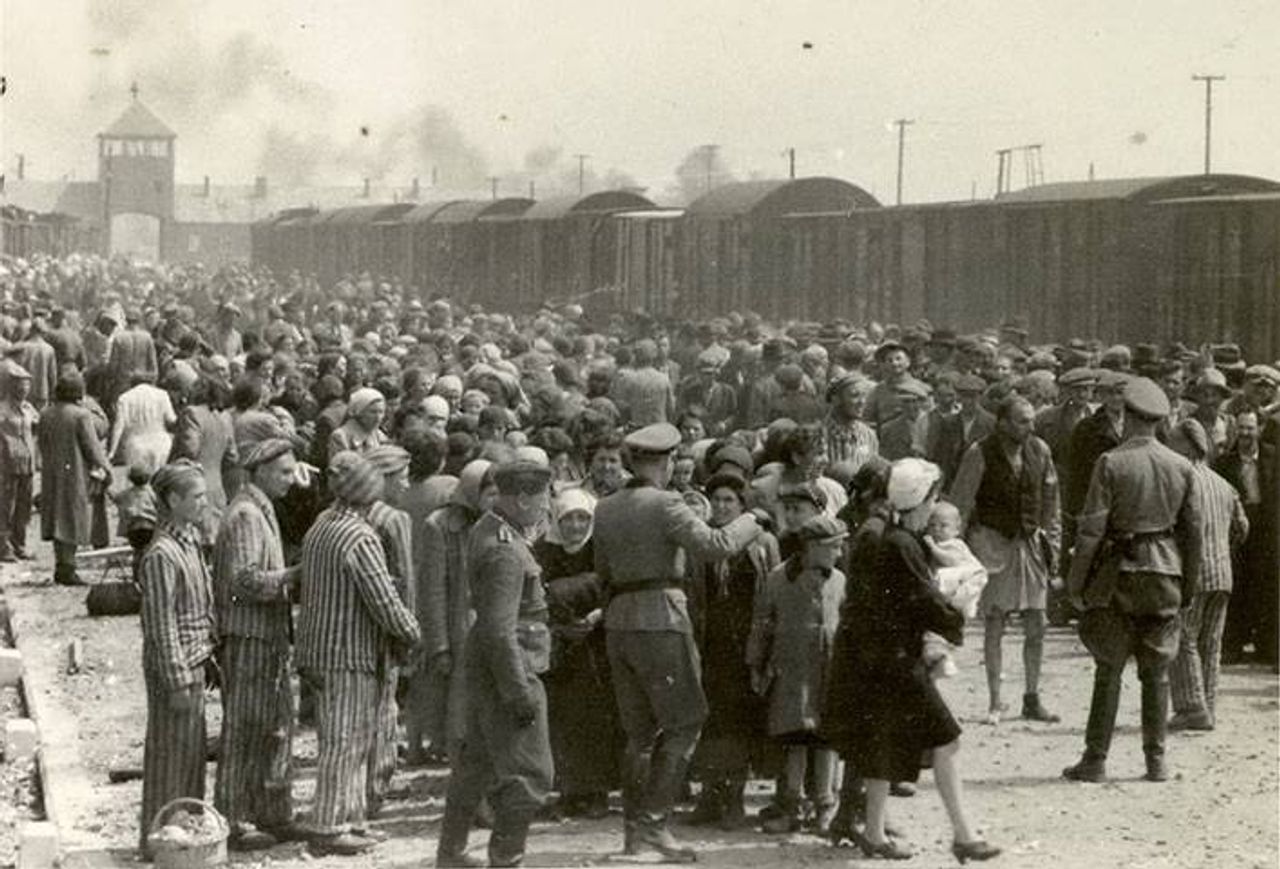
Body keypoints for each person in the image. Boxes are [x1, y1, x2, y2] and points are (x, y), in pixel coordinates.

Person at [593, 422, 762, 862]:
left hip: (619, 622)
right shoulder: (667, 502)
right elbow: (716, 544)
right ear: (667, 462)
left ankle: (634, 835)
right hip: (662, 620)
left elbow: (603, 571)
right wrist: (752, 520)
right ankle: (654, 826)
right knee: (686, 721)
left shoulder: (605, 507)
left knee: (638, 734)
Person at [836, 458, 999, 862]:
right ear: (921, 499)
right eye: (932, 498)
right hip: (897, 662)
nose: (934, 506)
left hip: (876, 659)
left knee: (881, 743)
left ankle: (875, 833)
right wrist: (955, 615)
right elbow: (926, 601)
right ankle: (963, 835)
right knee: (947, 739)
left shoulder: (889, 537)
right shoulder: (903, 544)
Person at [1065, 377, 1204, 784]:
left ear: (1127, 415)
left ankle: (1095, 759)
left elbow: (1091, 531)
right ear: (1158, 421)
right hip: (1166, 573)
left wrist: (1076, 583)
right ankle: (1156, 760)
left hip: (1118, 574)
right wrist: (1189, 586)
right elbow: (1193, 532)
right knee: (1156, 671)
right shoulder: (1181, 466)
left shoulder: (1110, 462)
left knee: (1108, 668)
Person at [297, 451, 421, 856]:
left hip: (317, 648)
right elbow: (383, 600)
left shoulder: (321, 525)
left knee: (341, 738)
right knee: (346, 743)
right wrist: (412, 632)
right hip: (348, 653)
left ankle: (350, 819)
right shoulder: (360, 537)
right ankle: (330, 824)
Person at [436, 460, 555, 869]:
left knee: (477, 764)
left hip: (488, 665)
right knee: (531, 775)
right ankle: (505, 860)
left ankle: (451, 854)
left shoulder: (490, 528)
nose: (546, 505)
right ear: (521, 499)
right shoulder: (506, 549)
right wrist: (519, 692)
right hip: (511, 666)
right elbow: (501, 630)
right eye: (542, 497)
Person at [212, 439, 302, 849]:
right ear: (261, 470)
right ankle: (235, 818)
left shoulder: (260, 509)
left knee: (274, 727)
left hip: (266, 636)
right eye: (284, 472)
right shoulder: (246, 515)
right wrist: (292, 576)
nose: (291, 479)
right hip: (248, 637)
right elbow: (243, 581)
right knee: (245, 730)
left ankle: (272, 812)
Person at [950, 396, 1062, 725]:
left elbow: (1052, 503)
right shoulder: (979, 453)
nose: (1030, 427)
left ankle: (1032, 698)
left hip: (1030, 545)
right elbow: (961, 504)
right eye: (1022, 421)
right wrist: (960, 555)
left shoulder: (1040, 450)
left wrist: (1052, 547)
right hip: (994, 545)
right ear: (1002, 423)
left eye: (1031, 420)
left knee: (1037, 623)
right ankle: (995, 701)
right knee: (995, 623)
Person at [685, 471, 779, 830]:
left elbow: (772, 594)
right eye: (717, 500)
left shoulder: (762, 541)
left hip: (746, 644)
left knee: (740, 721)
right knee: (710, 721)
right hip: (712, 643)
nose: (722, 507)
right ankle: (710, 796)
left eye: (730, 500)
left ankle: (735, 799)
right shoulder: (703, 542)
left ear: (743, 506)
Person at [747, 514, 848, 835]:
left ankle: (826, 805)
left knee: (826, 739)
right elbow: (762, 622)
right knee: (795, 738)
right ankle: (792, 805)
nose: (839, 553)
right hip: (792, 671)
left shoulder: (839, 580)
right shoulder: (779, 578)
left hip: (828, 671)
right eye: (834, 547)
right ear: (812, 547)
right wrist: (756, 663)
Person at [137, 461, 217, 859]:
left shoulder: (189, 542)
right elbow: (161, 625)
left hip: (194, 661)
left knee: (189, 757)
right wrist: (178, 680)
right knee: (169, 758)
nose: (204, 503)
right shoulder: (162, 555)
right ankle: (159, 842)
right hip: (177, 669)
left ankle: (182, 836)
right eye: (197, 497)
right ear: (172, 500)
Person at [533, 488, 620, 819]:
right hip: (560, 646)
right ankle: (570, 791)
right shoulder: (544, 551)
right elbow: (536, 594)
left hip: (598, 643)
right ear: (557, 520)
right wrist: (560, 625)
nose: (575, 526)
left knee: (598, 718)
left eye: (583, 518)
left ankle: (598, 792)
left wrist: (597, 616)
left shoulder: (603, 549)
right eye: (568, 519)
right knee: (563, 719)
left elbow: (615, 588)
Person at [1165, 419, 1248, 730]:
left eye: (1173, 442)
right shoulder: (1223, 484)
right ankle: (1207, 706)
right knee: (1211, 642)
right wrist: (1223, 548)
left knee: (1183, 636)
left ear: (1188, 446)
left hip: (1192, 573)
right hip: (1222, 573)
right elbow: (1242, 527)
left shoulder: (1181, 480)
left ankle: (1191, 707)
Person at [414, 459, 496, 765]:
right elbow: (432, 590)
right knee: (459, 705)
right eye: (490, 493)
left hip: (492, 625)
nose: (496, 500)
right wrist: (439, 645)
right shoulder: (439, 525)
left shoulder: (501, 524)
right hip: (459, 627)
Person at [1215, 410, 1279, 666]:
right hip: (1238, 530)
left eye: (1250, 428)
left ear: (1259, 429)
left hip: (1267, 529)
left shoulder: (1273, 457)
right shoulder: (1224, 463)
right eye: (1241, 428)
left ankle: (1267, 646)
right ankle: (1233, 644)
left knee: (1267, 587)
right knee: (1238, 585)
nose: (1245, 434)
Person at [39, 372, 112, 586]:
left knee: (57, 516)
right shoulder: (81, 415)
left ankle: (61, 564)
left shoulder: (45, 413)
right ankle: (68, 568)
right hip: (75, 473)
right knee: (71, 517)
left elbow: (42, 442)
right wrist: (106, 469)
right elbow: (92, 448)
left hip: (52, 472)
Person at [920, 500, 988, 679]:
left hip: (960, 590)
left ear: (956, 530)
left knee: (948, 624)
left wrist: (933, 548)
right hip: (947, 592)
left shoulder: (955, 545)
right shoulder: (936, 543)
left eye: (943, 526)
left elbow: (951, 560)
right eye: (932, 525)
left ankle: (945, 658)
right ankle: (942, 658)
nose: (937, 530)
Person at [0, 362, 38, 561]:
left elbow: (38, 426)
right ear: (11, 386)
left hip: (28, 464)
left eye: (27, 385)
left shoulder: (28, 408)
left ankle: (19, 544)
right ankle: (3, 547)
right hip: (7, 465)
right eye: (20, 385)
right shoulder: (2, 410)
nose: (24, 389)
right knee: (6, 507)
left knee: (24, 507)